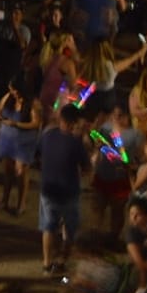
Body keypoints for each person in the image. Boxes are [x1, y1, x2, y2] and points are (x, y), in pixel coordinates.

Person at [39, 104, 90, 272]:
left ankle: (47, 263)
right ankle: (62, 261)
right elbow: (86, 169)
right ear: (73, 123)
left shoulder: (47, 135)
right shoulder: (76, 143)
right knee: (70, 228)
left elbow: (39, 154)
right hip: (69, 193)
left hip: (48, 190)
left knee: (48, 227)